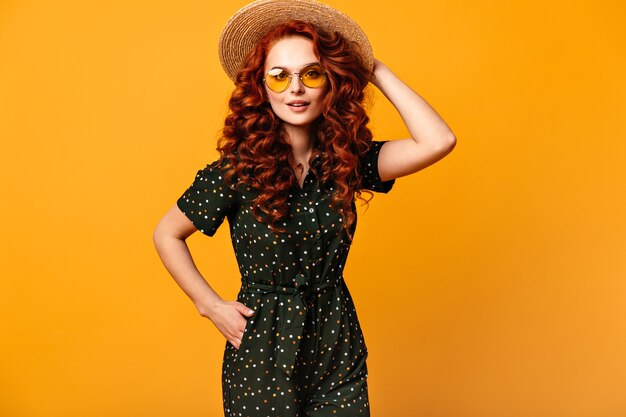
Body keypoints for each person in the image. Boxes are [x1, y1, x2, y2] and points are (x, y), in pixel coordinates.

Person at [153, 0, 456, 416]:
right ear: (261, 86)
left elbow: (437, 141)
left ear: (330, 82)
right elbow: (167, 233)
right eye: (278, 76)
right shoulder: (235, 171)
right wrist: (209, 304)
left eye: (311, 74)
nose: (295, 88)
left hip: (336, 343)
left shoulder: (349, 160)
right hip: (262, 348)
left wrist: (372, 68)